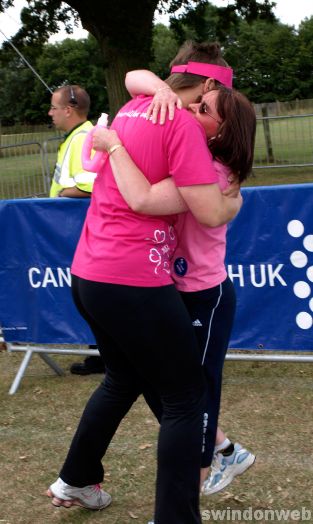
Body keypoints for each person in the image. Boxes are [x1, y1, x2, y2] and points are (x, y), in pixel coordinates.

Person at [46, 54, 242, 524]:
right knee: (184, 399)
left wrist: (119, 138)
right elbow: (201, 210)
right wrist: (232, 197)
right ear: (198, 92)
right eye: (207, 103)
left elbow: (133, 74)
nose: (200, 113)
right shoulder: (181, 125)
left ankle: (76, 478)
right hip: (133, 279)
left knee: (124, 378)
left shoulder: (136, 104)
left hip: (89, 273)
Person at [93, 63, 256, 498]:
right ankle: (225, 450)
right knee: (179, 390)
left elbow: (144, 197)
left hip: (205, 296)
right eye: (197, 102)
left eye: (203, 109)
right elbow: (133, 77)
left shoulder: (212, 173)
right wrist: (163, 91)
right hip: (175, 291)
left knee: (195, 394)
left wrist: (112, 146)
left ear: (222, 132)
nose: (190, 110)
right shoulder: (196, 156)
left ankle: (194, 487)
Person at [48, 84, 105, 376]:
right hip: (76, 231)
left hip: (83, 231)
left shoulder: (84, 137)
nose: (50, 113)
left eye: (54, 108)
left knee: (91, 298)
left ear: (68, 110)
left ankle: (102, 355)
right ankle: (99, 352)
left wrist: (60, 196)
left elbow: (90, 185)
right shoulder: (79, 136)